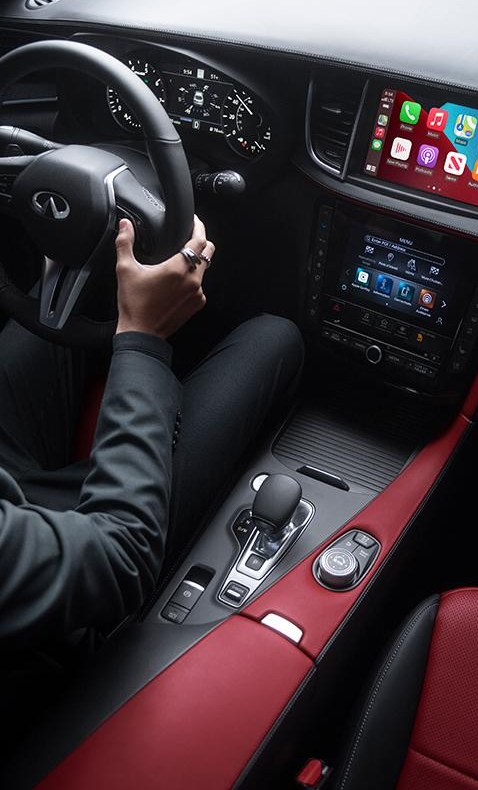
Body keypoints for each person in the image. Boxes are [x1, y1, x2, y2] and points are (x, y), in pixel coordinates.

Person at [0, 216, 304, 649]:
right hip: (71, 575)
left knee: (83, 268)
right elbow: (122, 554)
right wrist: (142, 336)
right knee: (276, 337)